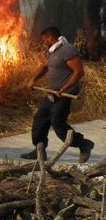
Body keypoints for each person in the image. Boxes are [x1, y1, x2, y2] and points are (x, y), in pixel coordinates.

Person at [21, 26, 94, 163]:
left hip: (65, 95)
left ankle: (84, 145)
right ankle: (39, 151)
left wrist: (64, 89)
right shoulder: (52, 52)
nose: (43, 42)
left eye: (44, 39)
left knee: (58, 124)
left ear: (50, 37)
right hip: (53, 93)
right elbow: (45, 67)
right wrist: (32, 80)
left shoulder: (67, 50)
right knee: (40, 120)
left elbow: (79, 72)